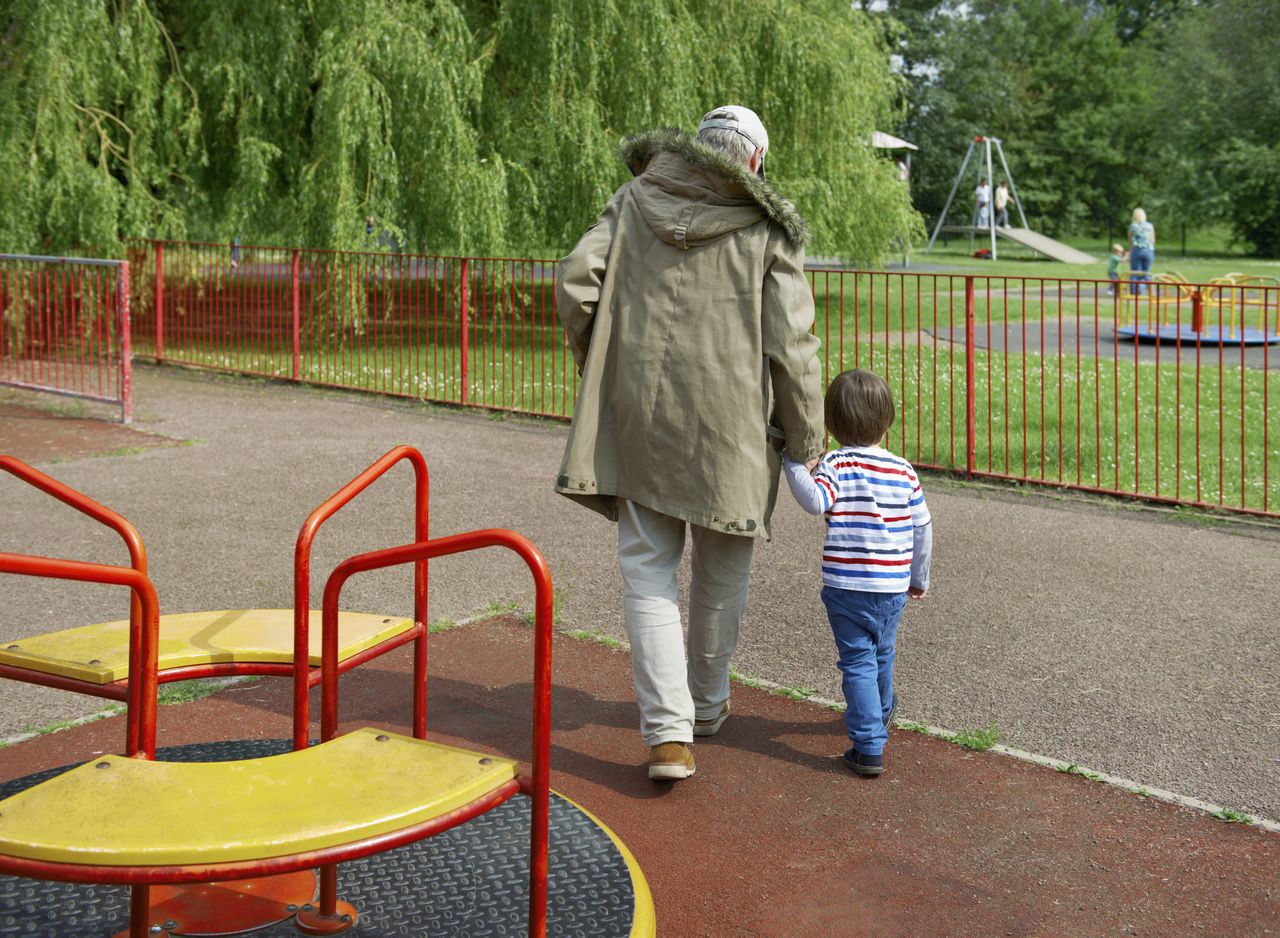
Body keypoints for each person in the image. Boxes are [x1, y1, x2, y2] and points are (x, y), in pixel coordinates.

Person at [555, 105, 825, 782]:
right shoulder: (767, 228)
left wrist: (602, 362)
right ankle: (705, 706)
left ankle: (668, 736)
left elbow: (574, 283)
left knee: (647, 573)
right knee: (722, 573)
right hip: (731, 430)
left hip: (641, 417)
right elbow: (792, 346)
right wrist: (805, 439)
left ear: (698, 151)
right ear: (756, 161)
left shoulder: (633, 197)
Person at [781, 369, 932, 777]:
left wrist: (794, 465)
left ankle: (868, 745)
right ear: (888, 421)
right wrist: (919, 577)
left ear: (830, 424)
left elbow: (815, 502)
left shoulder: (836, 464)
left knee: (857, 660)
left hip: (847, 587)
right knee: (882, 651)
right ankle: (881, 713)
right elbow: (922, 528)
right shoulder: (903, 470)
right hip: (893, 586)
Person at [1128, 208, 1156, 294]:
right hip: (1148, 251)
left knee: (1135, 272)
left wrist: (1131, 250)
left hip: (1136, 250)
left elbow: (1130, 240)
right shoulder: (1149, 226)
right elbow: (1152, 239)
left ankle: (1135, 291)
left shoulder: (1132, 226)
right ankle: (1152, 292)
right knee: (1146, 272)